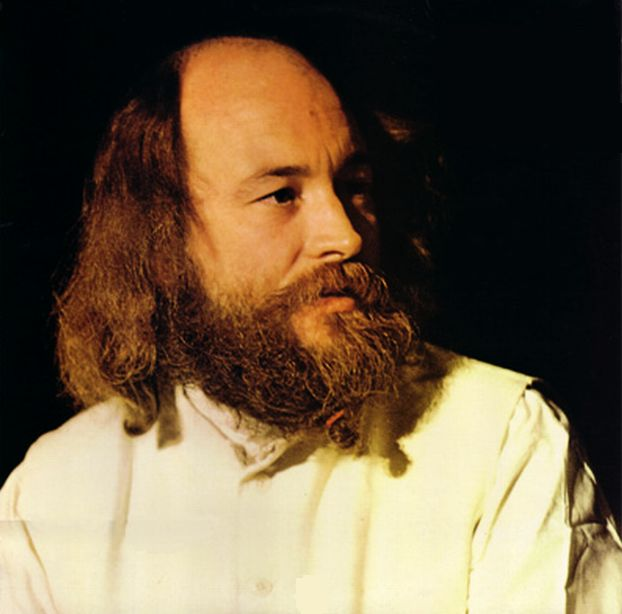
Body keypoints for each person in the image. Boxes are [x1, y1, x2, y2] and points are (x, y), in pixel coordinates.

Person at [1, 34, 620, 614]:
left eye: (355, 186)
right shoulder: (51, 492)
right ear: (161, 243)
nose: (345, 236)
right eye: (281, 195)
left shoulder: (503, 440)